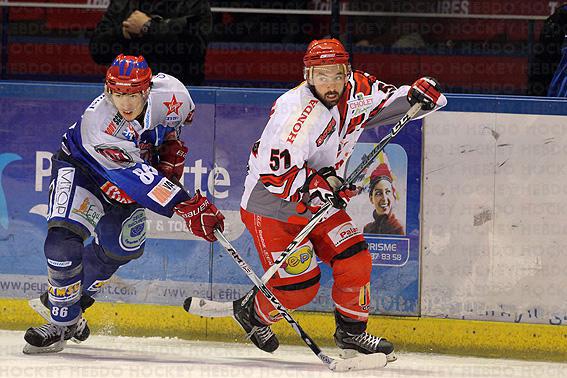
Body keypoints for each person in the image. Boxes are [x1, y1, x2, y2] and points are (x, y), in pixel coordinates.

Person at [202, 38, 446, 359]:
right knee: (300, 288)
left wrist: (420, 95)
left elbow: (396, 102)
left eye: (337, 74)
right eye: (322, 75)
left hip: (320, 195)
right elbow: (275, 175)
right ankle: (254, 314)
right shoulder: (296, 112)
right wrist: (323, 185)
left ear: (347, 70)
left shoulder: (357, 88)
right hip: (273, 204)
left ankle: (351, 334)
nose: (331, 84)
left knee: (355, 258)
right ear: (308, 75)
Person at [23, 54, 225, 354]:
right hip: (83, 170)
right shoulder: (101, 123)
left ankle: (70, 302)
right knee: (62, 240)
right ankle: (61, 320)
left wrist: (169, 145)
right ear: (108, 91)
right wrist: (186, 205)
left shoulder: (173, 94)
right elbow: (136, 178)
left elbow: (175, 126)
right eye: (118, 94)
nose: (126, 102)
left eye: (133, 94)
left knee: (124, 246)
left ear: (147, 89)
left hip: (128, 174)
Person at [89, 1, 212, 85]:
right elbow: (97, 51)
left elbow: (196, 48)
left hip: (177, 96)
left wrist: (149, 27)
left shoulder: (194, 3)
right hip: (126, 96)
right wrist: (121, 33)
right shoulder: (123, 3)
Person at [363, 163, 404, 235]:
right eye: (379, 193)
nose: (384, 199)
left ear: (393, 196)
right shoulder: (368, 229)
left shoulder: (398, 228)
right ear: (371, 198)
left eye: (388, 192)